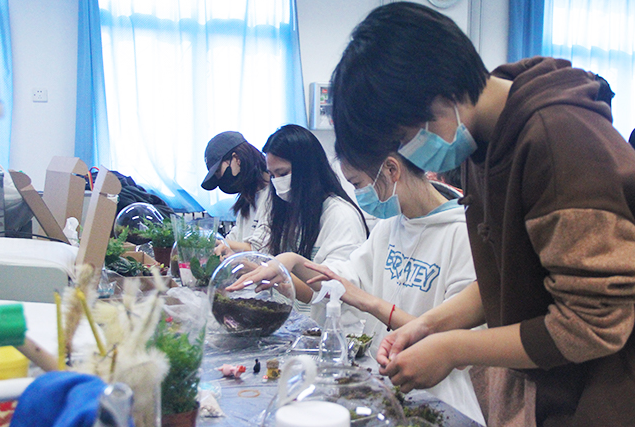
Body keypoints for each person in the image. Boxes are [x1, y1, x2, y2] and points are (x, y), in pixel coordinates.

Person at [329, 2, 635, 426]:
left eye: (402, 137)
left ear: (440, 94)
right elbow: (505, 277)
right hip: (548, 384)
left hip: (599, 392)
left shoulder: (559, 141)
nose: (406, 154)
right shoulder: (483, 140)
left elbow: (592, 325)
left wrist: (454, 349)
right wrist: (429, 326)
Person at [228, 151, 485, 424]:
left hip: (439, 398)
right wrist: (292, 262)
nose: (358, 195)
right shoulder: (391, 225)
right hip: (387, 386)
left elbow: (457, 347)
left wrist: (371, 303)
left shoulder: (464, 234)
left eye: (358, 184)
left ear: (391, 170)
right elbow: (345, 280)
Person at [238, 124, 369, 321]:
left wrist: (283, 271)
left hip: (331, 328)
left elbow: (334, 292)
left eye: (283, 173)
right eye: (272, 175)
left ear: (307, 169)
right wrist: (263, 272)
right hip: (296, 326)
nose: (277, 182)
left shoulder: (340, 216)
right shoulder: (287, 210)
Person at [201, 131, 270, 248]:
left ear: (236, 158)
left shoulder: (276, 196)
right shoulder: (248, 199)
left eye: (218, 171)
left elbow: (259, 250)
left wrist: (212, 240)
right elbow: (235, 238)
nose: (220, 179)